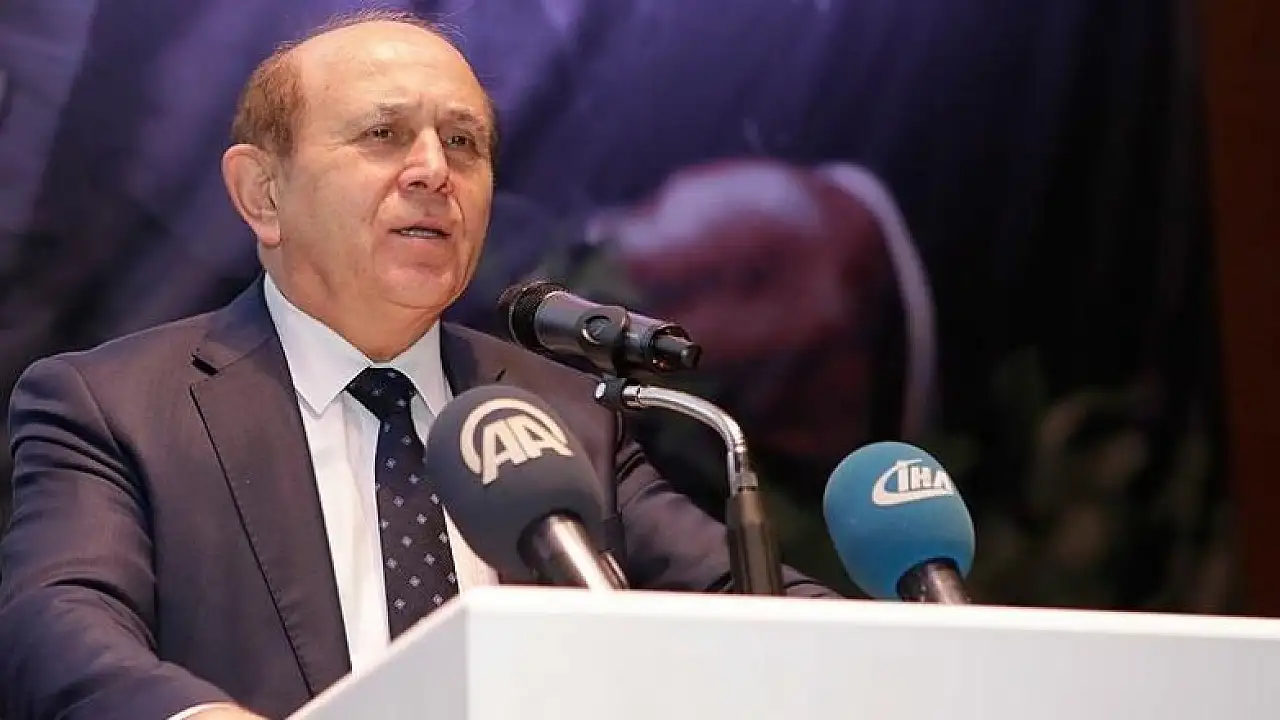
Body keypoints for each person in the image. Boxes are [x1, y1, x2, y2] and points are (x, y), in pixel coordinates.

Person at [0, 10, 839, 720]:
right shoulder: (114, 408)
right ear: (263, 194)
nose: (436, 171)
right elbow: (57, 622)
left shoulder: (561, 416)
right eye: (384, 135)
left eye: (464, 142)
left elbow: (745, 601)